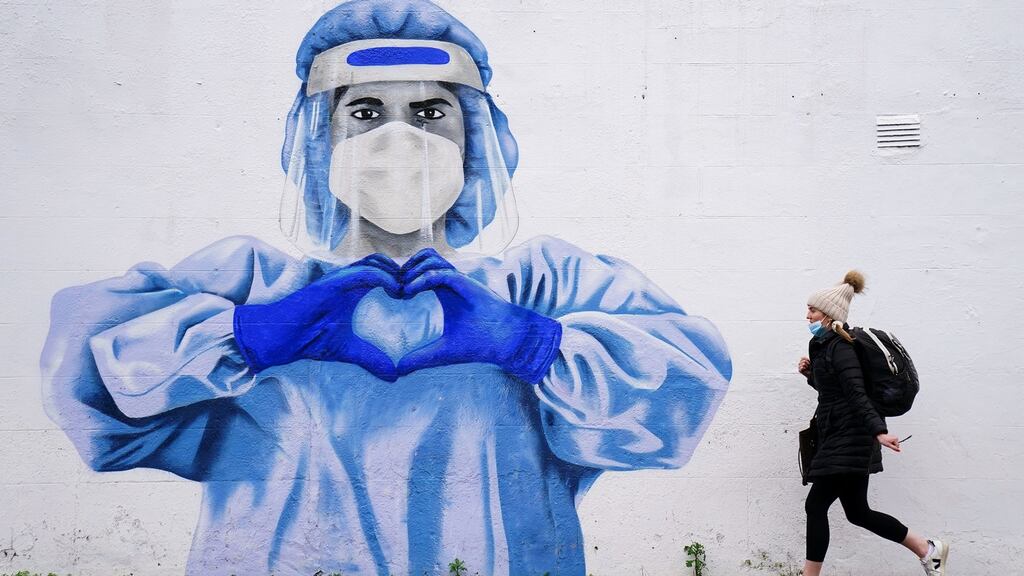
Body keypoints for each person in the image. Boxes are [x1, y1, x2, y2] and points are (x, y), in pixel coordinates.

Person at [40, 1, 732, 574]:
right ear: (320, 139)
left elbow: (685, 384)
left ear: (477, 140)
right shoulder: (250, 285)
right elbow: (86, 384)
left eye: (431, 114)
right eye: (365, 112)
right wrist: (246, 337)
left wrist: (533, 343)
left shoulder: (542, 287)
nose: (399, 140)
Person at [797, 271, 948, 576]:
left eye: (812, 310)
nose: (807, 315)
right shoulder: (827, 347)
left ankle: (809, 575)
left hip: (850, 437)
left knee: (816, 506)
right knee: (858, 512)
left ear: (828, 315)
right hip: (842, 435)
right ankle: (927, 550)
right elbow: (837, 393)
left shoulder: (842, 348)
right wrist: (811, 376)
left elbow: (855, 393)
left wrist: (878, 432)